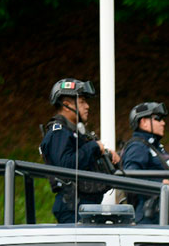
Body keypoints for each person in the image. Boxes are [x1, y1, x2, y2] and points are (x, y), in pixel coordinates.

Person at [39, 78, 120, 224]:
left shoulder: (74, 133)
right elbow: (65, 165)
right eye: (82, 102)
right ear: (66, 105)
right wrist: (93, 147)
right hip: (73, 208)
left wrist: (106, 154)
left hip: (85, 206)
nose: (87, 106)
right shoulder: (59, 132)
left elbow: (82, 158)